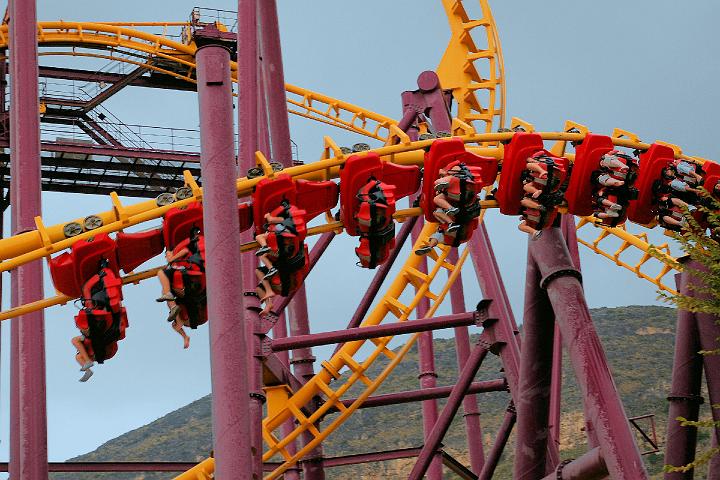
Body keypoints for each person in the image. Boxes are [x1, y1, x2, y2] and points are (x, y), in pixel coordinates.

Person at [156, 226, 204, 323]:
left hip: (184, 274)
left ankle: (171, 298)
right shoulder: (170, 266)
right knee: (164, 289)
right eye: (166, 256)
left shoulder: (178, 255)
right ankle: (174, 308)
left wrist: (172, 258)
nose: (166, 257)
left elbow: (185, 251)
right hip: (182, 288)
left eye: (168, 254)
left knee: (161, 273)